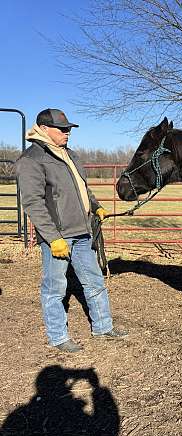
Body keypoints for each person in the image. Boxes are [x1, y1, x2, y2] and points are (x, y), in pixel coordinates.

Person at [15, 108, 128, 353]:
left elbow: (82, 189)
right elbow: (33, 203)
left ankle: (103, 326)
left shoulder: (71, 155)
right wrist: (53, 238)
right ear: (44, 129)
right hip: (58, 236)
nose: (67, 133)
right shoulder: (32, 160)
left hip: (82, 232)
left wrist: (96, 207)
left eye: (69, 129)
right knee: (55, 289)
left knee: (94, 281)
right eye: (62, 129)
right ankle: (58, 337)